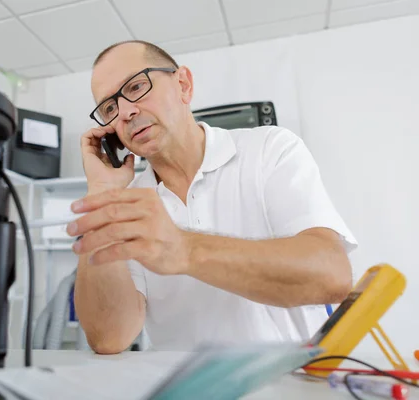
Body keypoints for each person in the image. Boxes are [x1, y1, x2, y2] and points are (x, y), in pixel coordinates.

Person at [67, 40, 357, 354]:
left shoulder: (270, 150)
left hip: (288, 384)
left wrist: (184, 249)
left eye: (136, 87)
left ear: (183, 85)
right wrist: (103, 194)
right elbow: (110, 337)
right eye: (109, 108)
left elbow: (332, 277)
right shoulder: (129, 202)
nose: (125, 112)